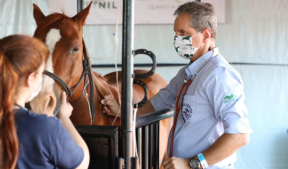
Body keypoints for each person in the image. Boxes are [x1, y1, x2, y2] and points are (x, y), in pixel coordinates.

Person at [101, 2, 252, 169]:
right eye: (176, 33)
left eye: (183, 33)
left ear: (206, 35)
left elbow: (239, 136)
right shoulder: (186, 73)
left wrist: (192, 163)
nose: (177, 39)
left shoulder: (220, 75)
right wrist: (123, 111)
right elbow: (155, 106)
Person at [0, 35, 90, 169]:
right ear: (30, 78)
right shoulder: (44, 127)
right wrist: (64, 118)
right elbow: (81, 164)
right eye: (40, 73)